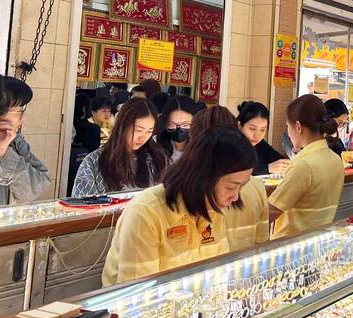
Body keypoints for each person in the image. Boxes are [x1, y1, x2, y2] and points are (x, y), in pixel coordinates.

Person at [102, 126, 255, 285]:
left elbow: (218, 276)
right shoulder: (145, 213)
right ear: (203, 176)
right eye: (231, 187)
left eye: (241, 186)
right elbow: (137, 293)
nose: (235, 196)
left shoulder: (215, 210)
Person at [191, 105, 270, 253]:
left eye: (262, 129)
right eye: (252, 129)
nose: (234, 196)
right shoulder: (256, 187)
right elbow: (262, 245)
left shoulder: (187, 194)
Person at [269, 95, 345, 239]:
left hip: (290, 245)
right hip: (319, 239)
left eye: (288, 126)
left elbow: (271, 211)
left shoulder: (303, 165)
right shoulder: (335, 160)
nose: (288, 133)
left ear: (297, 126)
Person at [0, 75, 49, 208]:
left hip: (3, 226)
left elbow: (35, 189)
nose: (22, 118)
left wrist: (4, 154)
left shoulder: (15, 142)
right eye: (20, 110)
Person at [73, 98, 167, 196]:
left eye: (149, 131)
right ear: (123, 126)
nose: (143, 137)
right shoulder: (94, 161)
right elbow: (83, 203)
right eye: (138, 130)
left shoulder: (157, 160)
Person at [236, 101, 291, 176]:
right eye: (252, 129)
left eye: (262, 130)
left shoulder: (260, 144)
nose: (257, 135)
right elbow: (236, 171)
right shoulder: (230, 143)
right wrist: (268, 168)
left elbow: (278, 158)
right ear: (240, 126)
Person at [156, 96, 200, 162]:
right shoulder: (155, 144)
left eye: (185, 125)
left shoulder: (202, 147)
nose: (178, 130)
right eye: (172, 125)